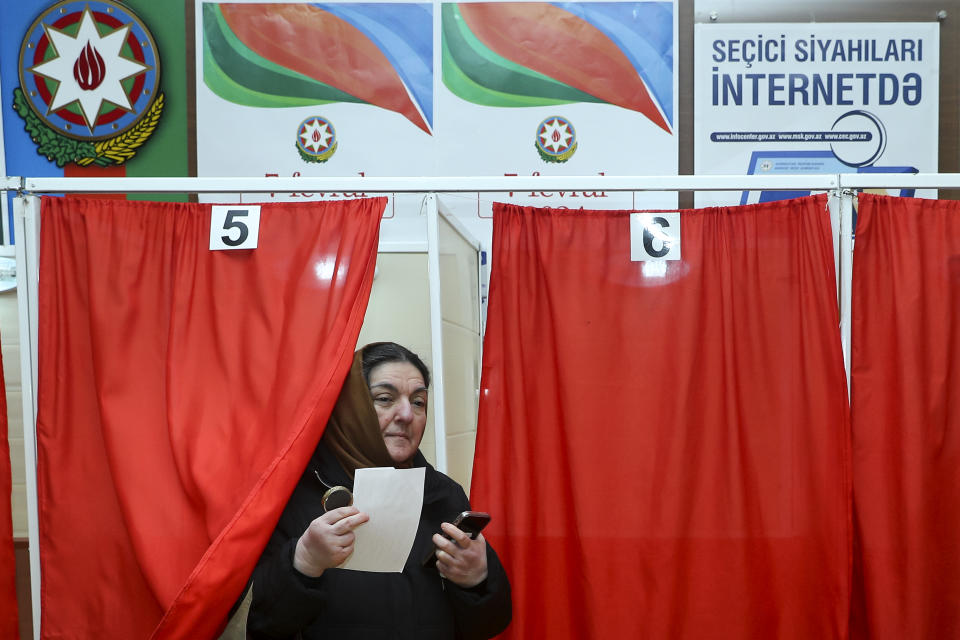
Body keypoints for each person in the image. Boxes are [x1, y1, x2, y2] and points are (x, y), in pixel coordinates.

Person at [245, 342, 512, 639]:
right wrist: (305, 560)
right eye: (385, 399)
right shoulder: (296, 495)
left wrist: (476, 581)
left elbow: (487, 626)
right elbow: (263, 627)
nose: (407, 414)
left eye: (419, 402)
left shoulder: (444, 494)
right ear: (351, 408)